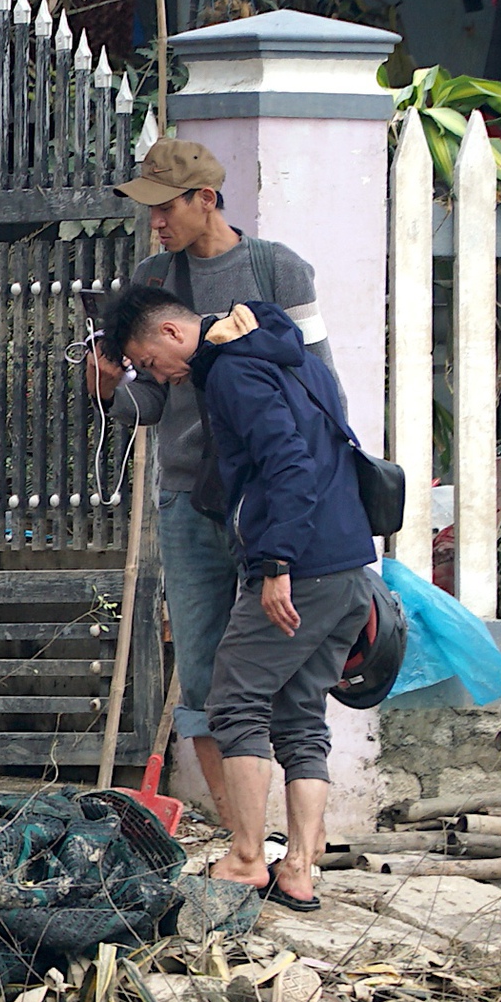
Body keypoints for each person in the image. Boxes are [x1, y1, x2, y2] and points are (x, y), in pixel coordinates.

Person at [100, 283, 378, 914]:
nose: (156, 376)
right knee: (301, 713)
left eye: (147, 361)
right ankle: (300, 869)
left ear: (172, 333)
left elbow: (287, 465)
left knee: (235, 699)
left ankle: (248, 857)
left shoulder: (231, 373)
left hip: (298, 563)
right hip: (347, 559)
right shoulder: (285, 350)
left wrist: (276, 562)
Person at [89, 138, 335, 811]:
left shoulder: (278, 270)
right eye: (150, 211)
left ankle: (289, 834)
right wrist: (110, 390)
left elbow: (321, 385)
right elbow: (150, 408)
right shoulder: (155, 278)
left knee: (281, 668)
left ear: (206, 199)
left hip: (266, 503)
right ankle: (240, 836)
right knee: (200, 670)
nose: (156, 223)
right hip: (189, 501)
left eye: (165, 208)